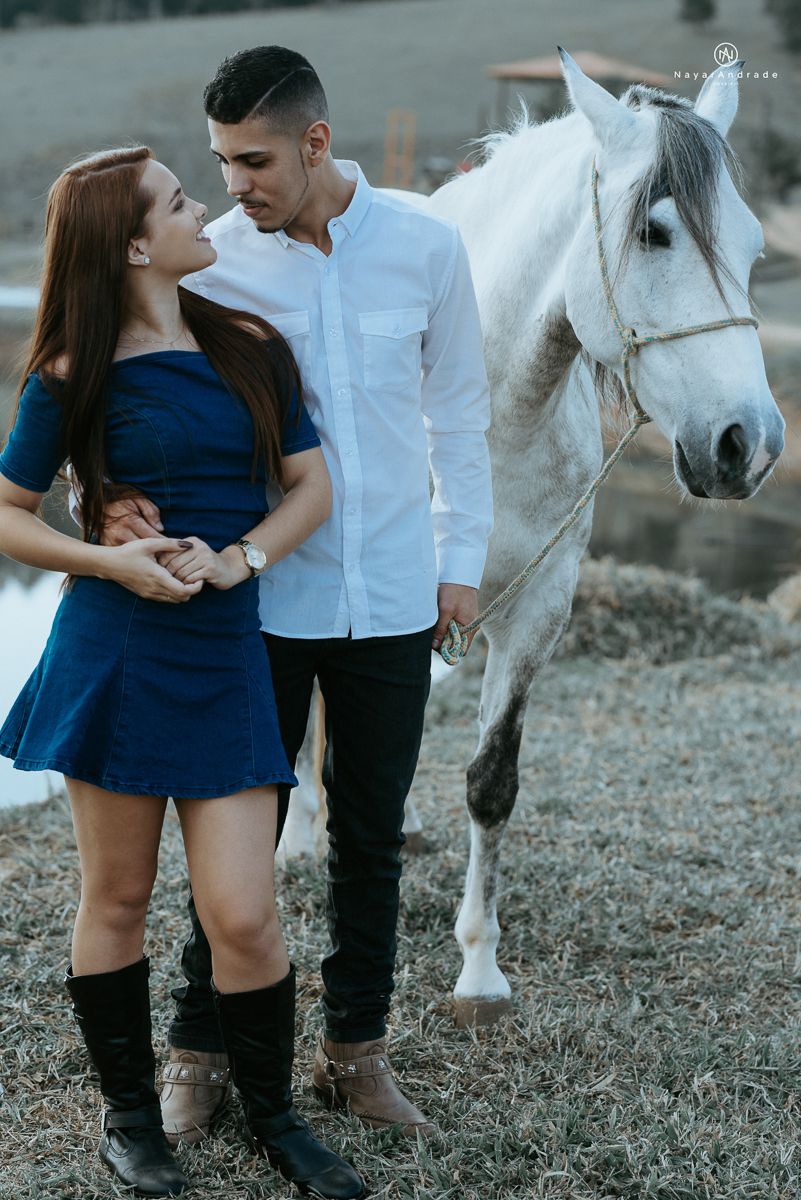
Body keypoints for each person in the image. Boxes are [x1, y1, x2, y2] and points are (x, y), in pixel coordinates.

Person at [99, 46, 494, 1145]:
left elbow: (457, 413)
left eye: (255, 161)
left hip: (398, 598)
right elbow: (129, 376)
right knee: (241, 835)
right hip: (257, 602)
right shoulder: (212, 262)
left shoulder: (427, 246)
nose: (235, 186)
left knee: (372, 840)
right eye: (221, 163)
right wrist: (116, 492)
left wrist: (462, 561)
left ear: (316, 142)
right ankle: (198, 1053)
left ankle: (356, 1056)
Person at [0, 147, 364, 1200]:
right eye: (176, 200)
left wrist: (242, 556)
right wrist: (105, 556)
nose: (201, 207)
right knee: (114, 897)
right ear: (130, 244)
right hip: (113, 651)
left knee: (244, 914)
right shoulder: (73, 372)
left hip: (224, 653)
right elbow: (10, 517)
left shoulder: (248, 344)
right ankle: (129, 1123)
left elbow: (310, 487)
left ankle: (277, 1120)